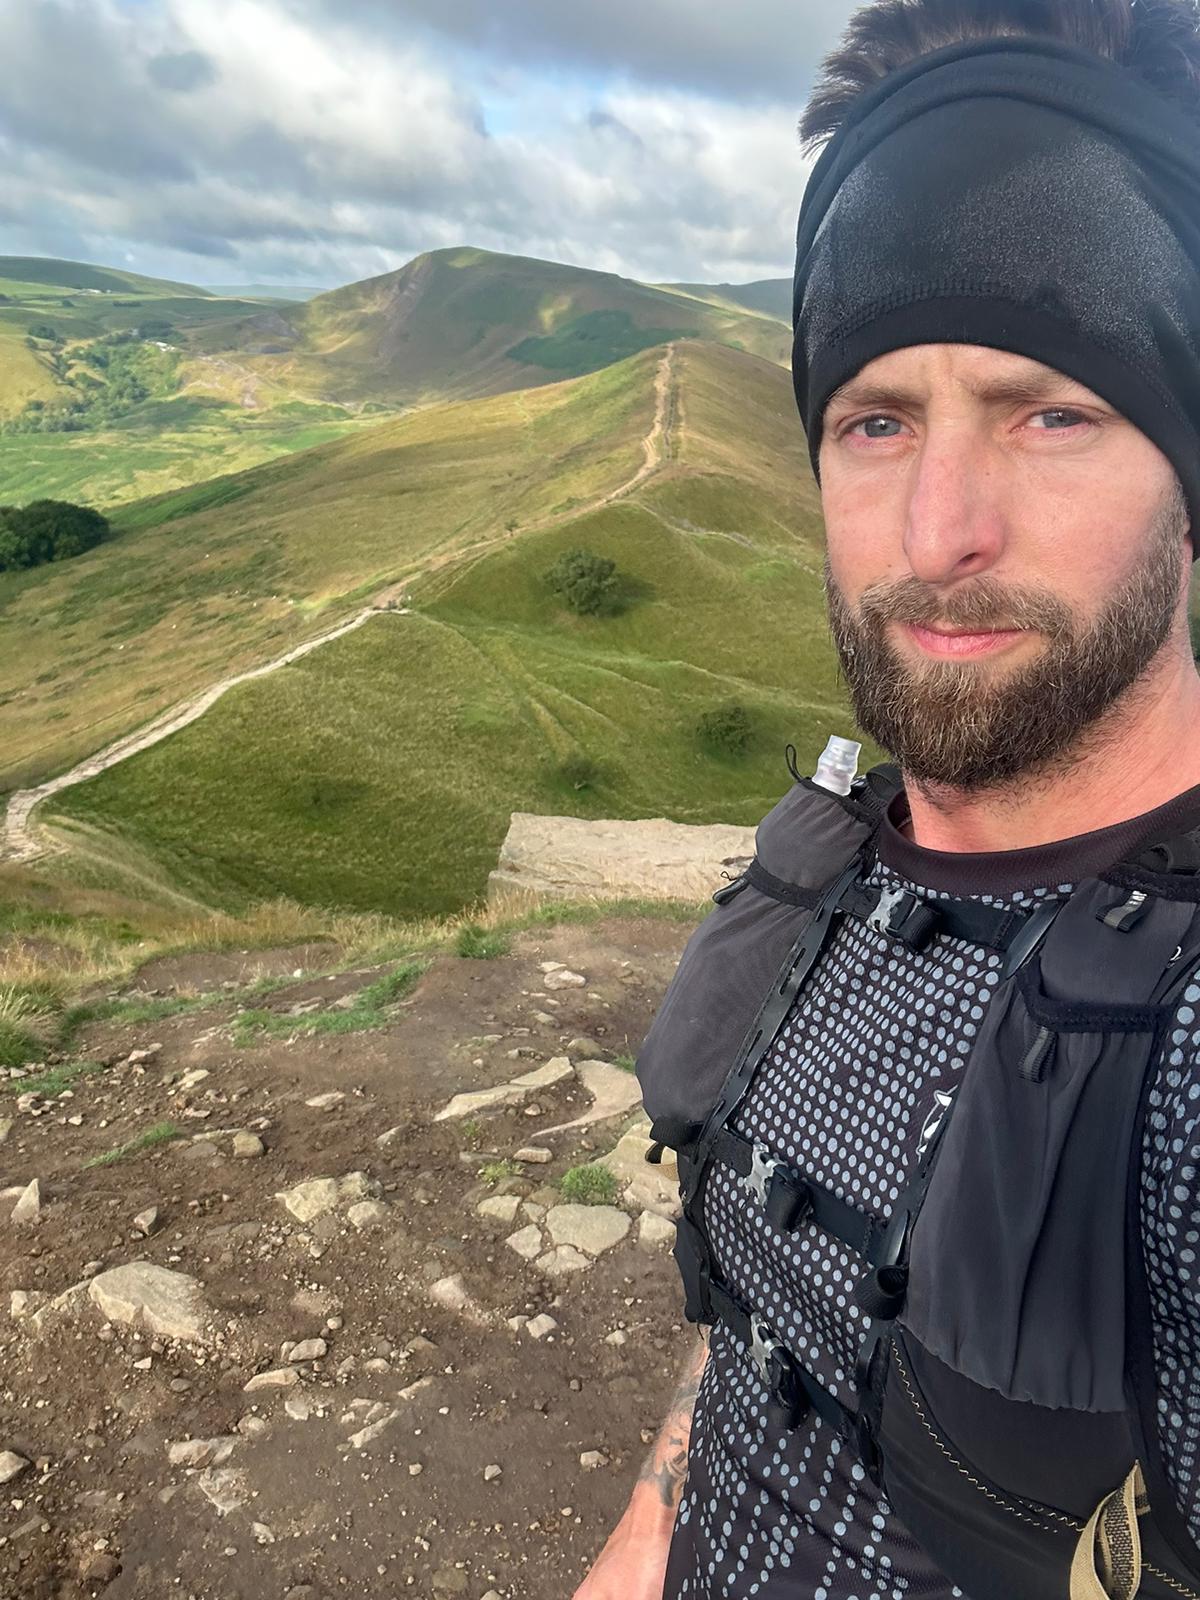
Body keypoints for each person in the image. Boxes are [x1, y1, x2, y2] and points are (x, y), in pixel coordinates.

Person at [574, 1, 1200, 1596]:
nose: (938, 529)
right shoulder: (843, 864)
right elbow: (770, 1312)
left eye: (1052, 410)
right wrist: (646, 1538)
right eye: (876, 421)